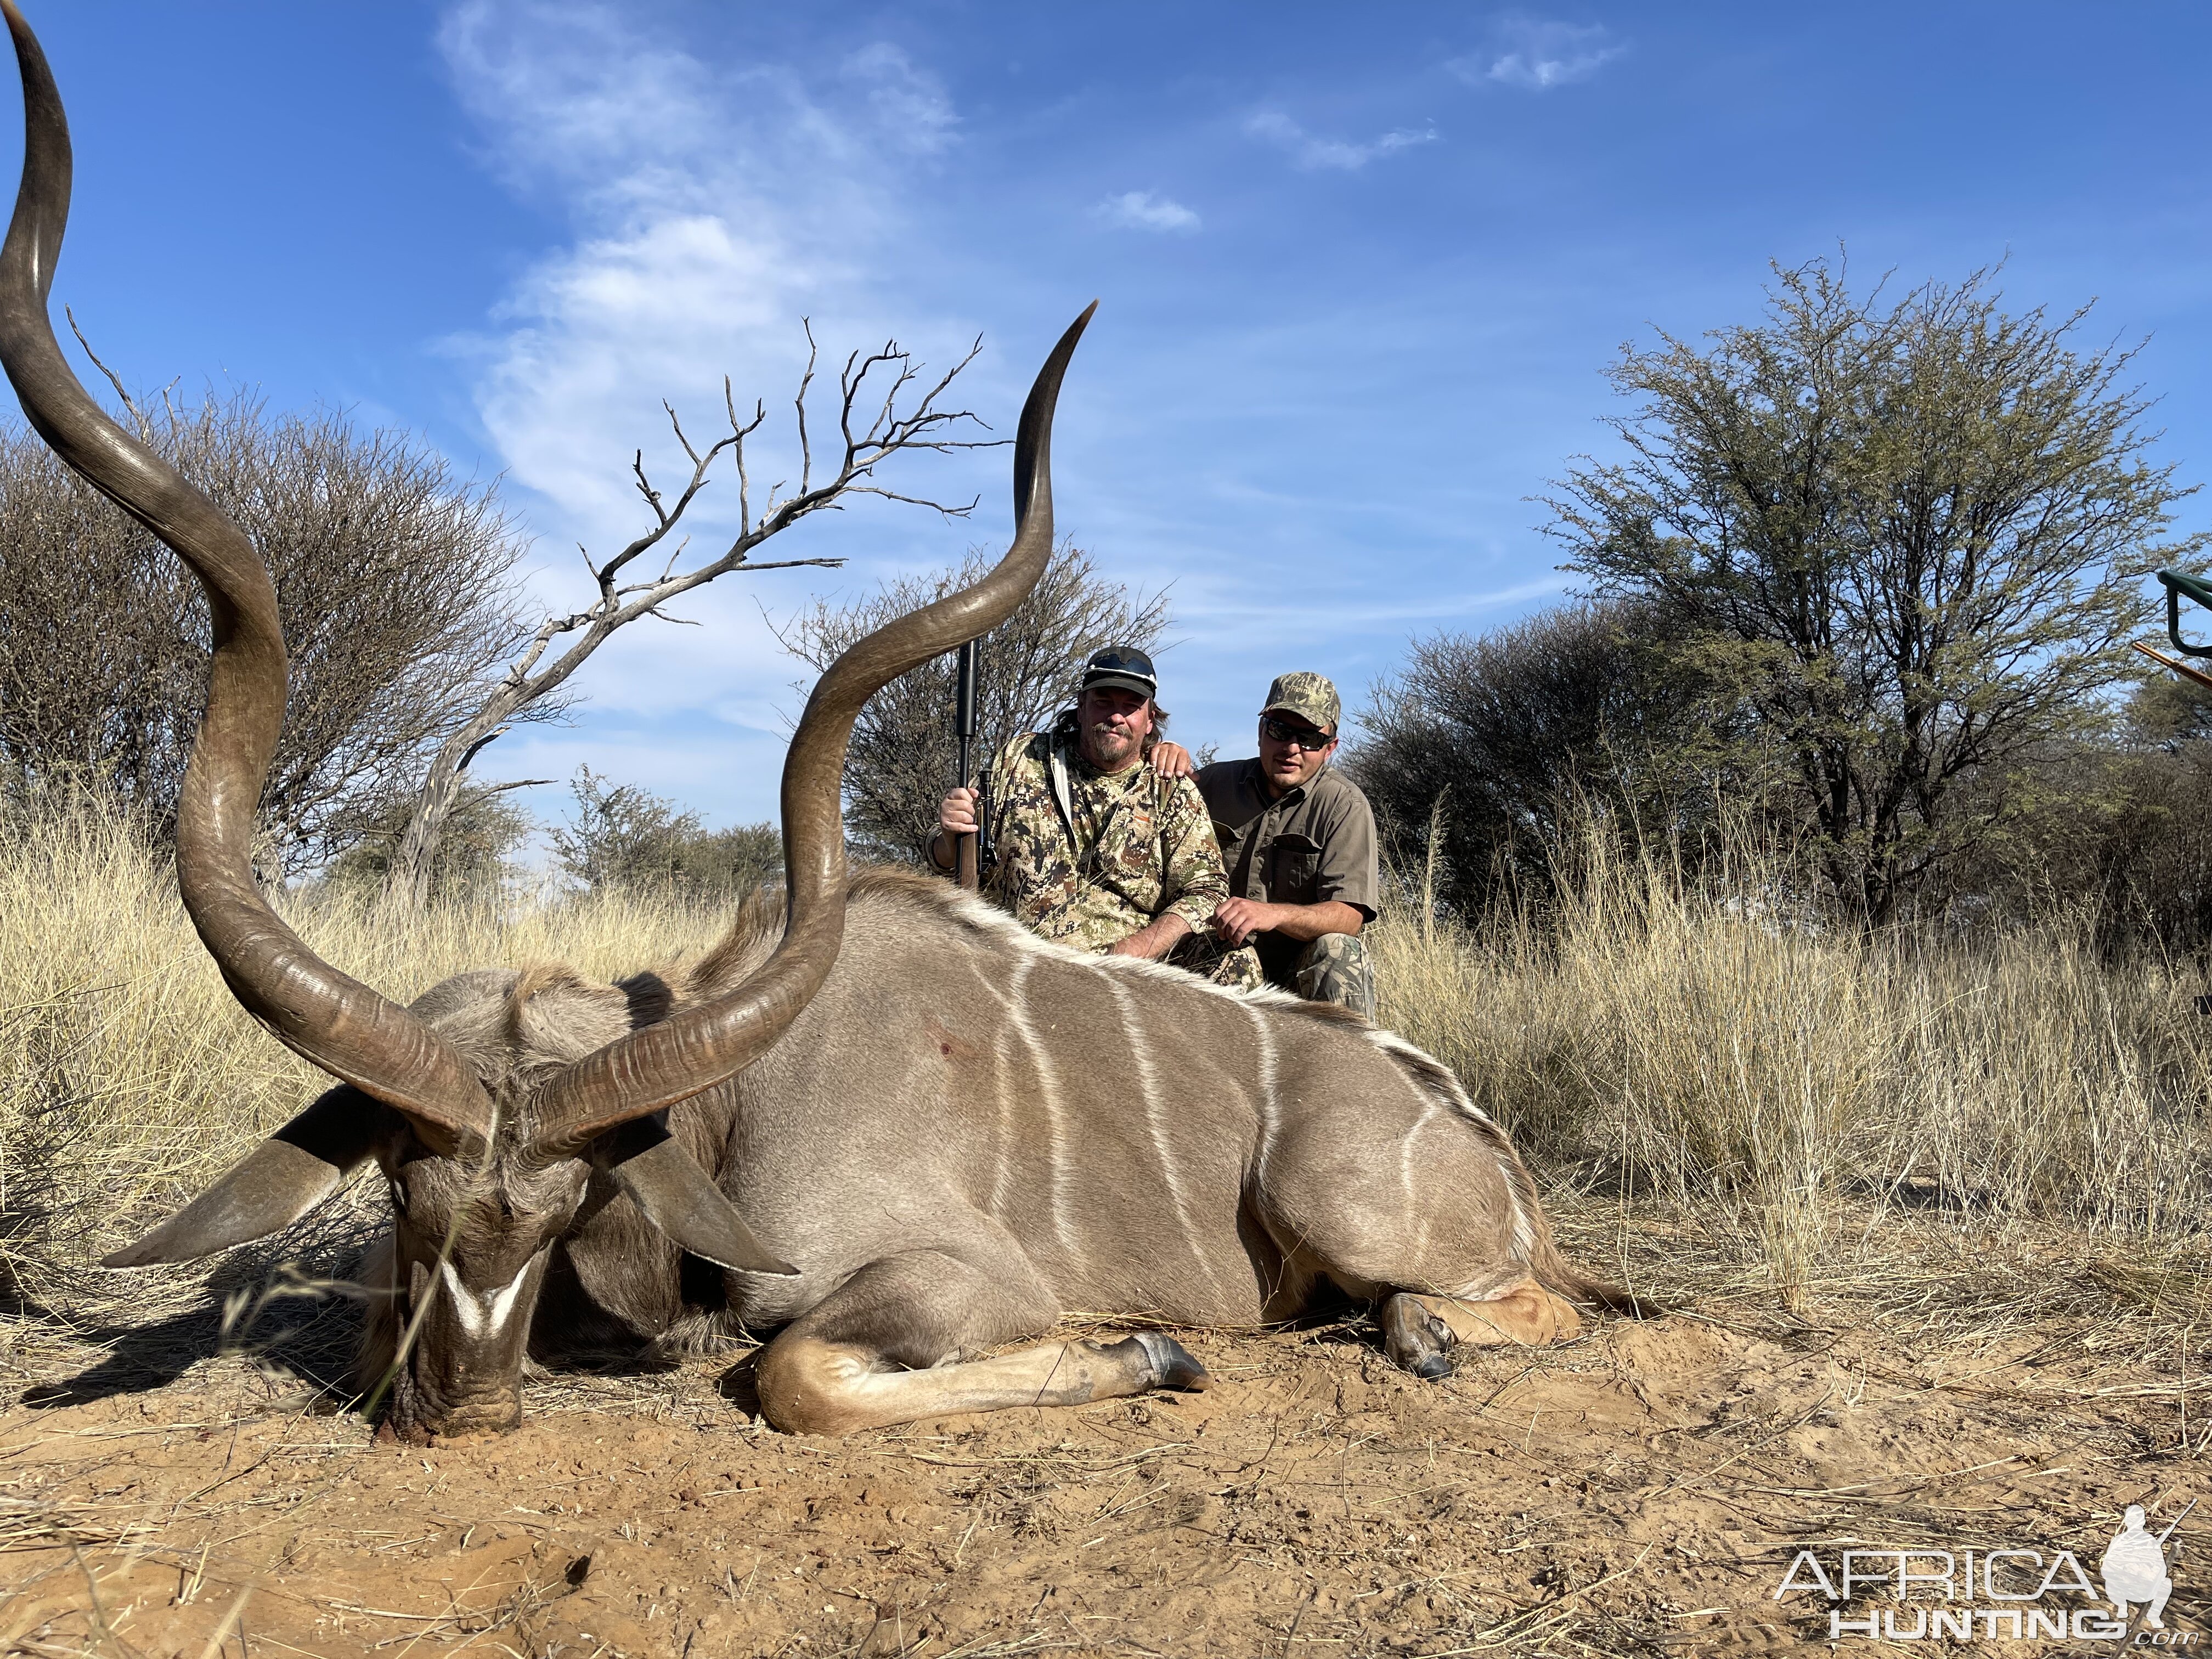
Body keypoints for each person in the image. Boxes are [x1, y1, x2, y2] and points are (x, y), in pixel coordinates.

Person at [932, 647, 1260, 985]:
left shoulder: (1170, 790)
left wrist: (1127, 956)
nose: (1116, 717)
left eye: (1130, 706)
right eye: (1103, 701)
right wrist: (948, 837)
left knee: (1236, 961)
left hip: (1128, 975)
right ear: (1082, 708)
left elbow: (1207, 891)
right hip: (1019, 960)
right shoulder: (1020, 759)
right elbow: (944, 858)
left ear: (1149, 720)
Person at [1151, 672, 1378, 1018]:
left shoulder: (1345, 806)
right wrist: (1161, 753)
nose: (1291, 748)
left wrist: (1274, 914)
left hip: (1294, 978)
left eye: (1310, 739)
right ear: (1261, 732)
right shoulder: (1210, 784)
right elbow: (1141, 793)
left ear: (1330, 747)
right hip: (1216, 961)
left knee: (1339, 951)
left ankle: (1348, 1067)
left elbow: (1348, 917)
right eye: (1280, 731)